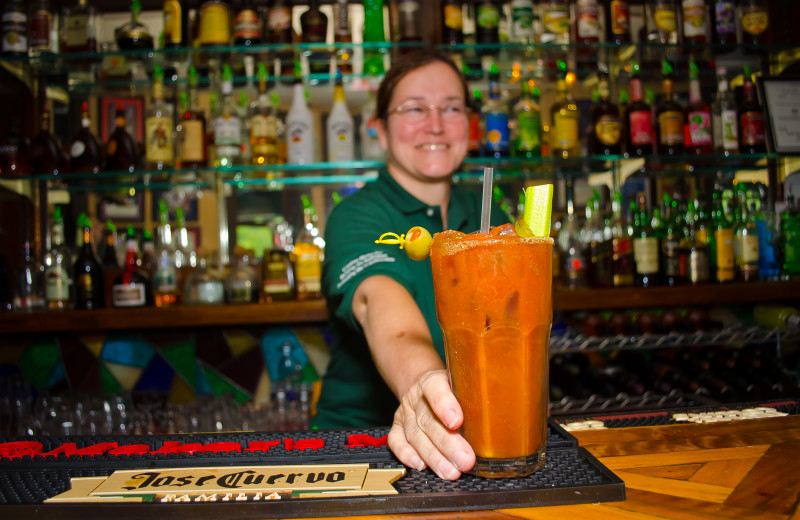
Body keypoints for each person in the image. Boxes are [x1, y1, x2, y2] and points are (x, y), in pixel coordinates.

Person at [313, 48, 509, 480]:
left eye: (451, 108)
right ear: (379, 130)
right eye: (415, 108)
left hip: (480, 440)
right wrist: (423, 382)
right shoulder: (358, 216)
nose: (435, 124)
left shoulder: (492, 216)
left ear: (470, 125)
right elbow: (380, 302)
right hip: (359, 447)